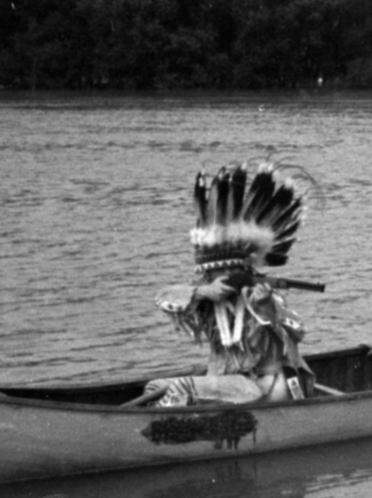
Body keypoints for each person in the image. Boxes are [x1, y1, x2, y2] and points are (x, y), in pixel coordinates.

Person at [125, 161, 316, 408]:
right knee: (155, 387)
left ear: (240, 269)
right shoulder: (207, 294)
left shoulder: (262, 294)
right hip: (225, 383)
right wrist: (205, 292)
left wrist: (267, 310)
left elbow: (298, 331)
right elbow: (162, 298)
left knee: (181, 388)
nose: (215, 277)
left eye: (222, 272)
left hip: (265, 386)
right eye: (211, 273)